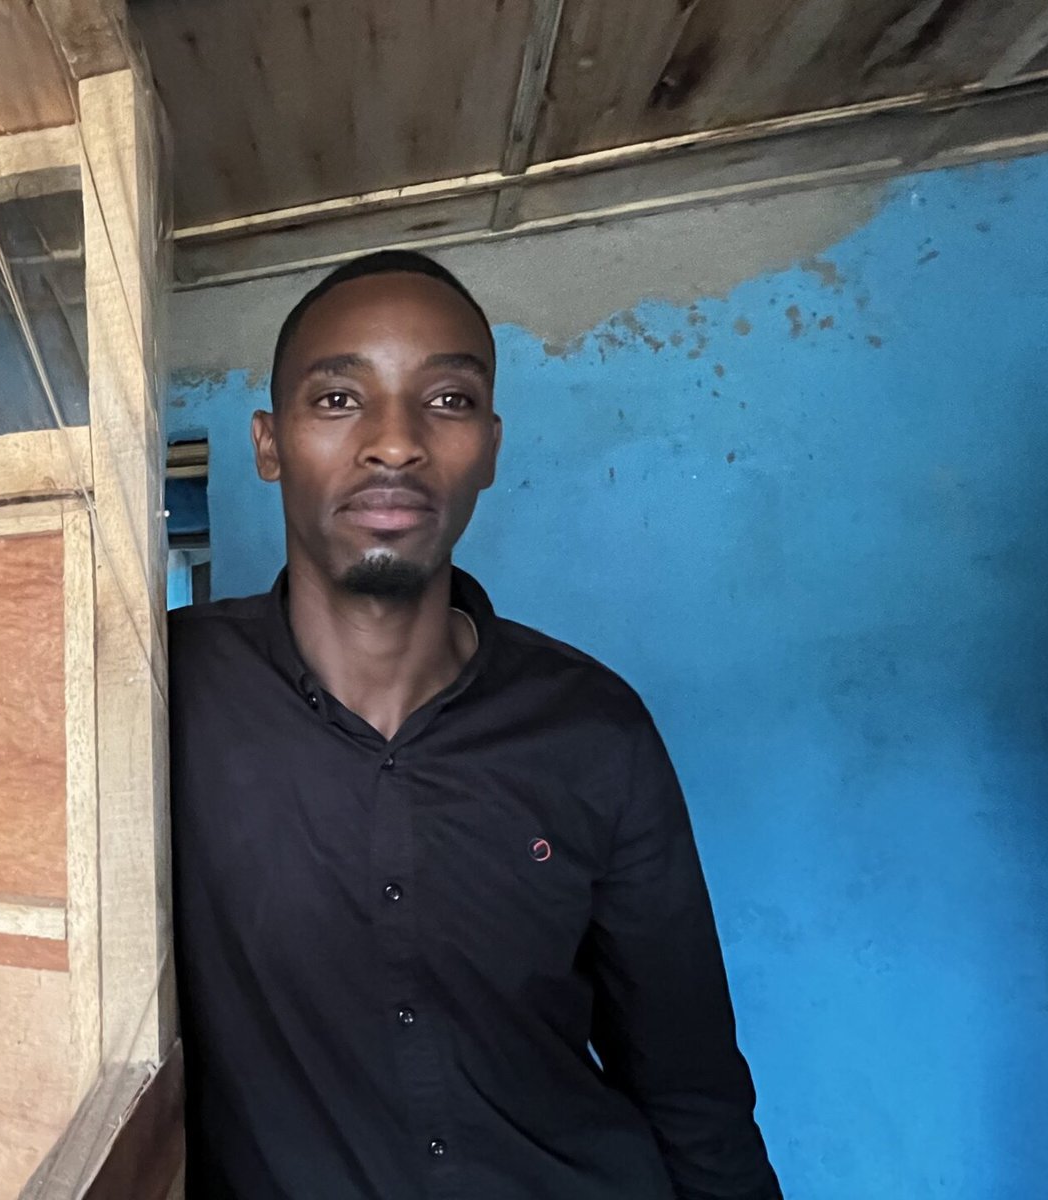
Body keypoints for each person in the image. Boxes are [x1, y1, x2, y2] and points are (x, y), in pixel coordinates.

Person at [169, 251, 780, 1199]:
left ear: (490, 446)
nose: (394, 442)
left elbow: (689, 1082)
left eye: (445, 400)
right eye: (338, 400)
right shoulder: (166, 694)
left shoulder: (591, 728)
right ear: (267, 443)